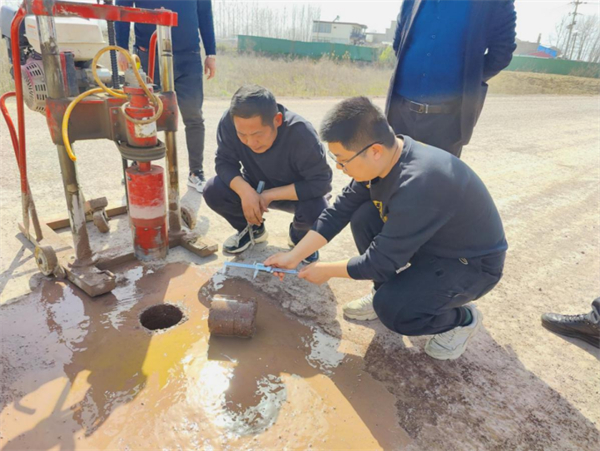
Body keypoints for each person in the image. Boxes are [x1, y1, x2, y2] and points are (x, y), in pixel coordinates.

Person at [265, 97, 507, 360]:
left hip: (469, 264)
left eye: (343, 160)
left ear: (375, 150)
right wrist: (294, 256)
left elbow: (378, 262)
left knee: (394, 311)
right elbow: (338, 212)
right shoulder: (385, 160)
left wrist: (326, 270)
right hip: (431, 242)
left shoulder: (420, 183)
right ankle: (386, 290)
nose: (339, 168)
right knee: (364, 216)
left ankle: (462, 319)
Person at [203, 85, 332, 261]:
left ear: (277, 120)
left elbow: (321, 182)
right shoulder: (229, 121)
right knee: (213, 190)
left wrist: (269, 195)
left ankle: (299, 238)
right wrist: (245, 192)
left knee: (318, 211)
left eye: (257, 134)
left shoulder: (300, 133)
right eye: (242, 135)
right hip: (254, 185)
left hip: (296, 192)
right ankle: (252, 230)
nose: (250, 142)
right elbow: (224, 162)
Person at [386, 0, 517, 157]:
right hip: (399, 115)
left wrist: (468, 81)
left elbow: (501, 54)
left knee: (437, 173)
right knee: (391, 171)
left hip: (447, 123)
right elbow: (399, 44)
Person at [115, 0, 216, 192]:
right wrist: (121, 48)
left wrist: (211, 53)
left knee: (194, 116)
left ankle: (196, 172)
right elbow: (122, 8)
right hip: (148, 53)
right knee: (144, 113)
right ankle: (140, 165)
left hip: (189, 56)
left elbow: (204, 12)